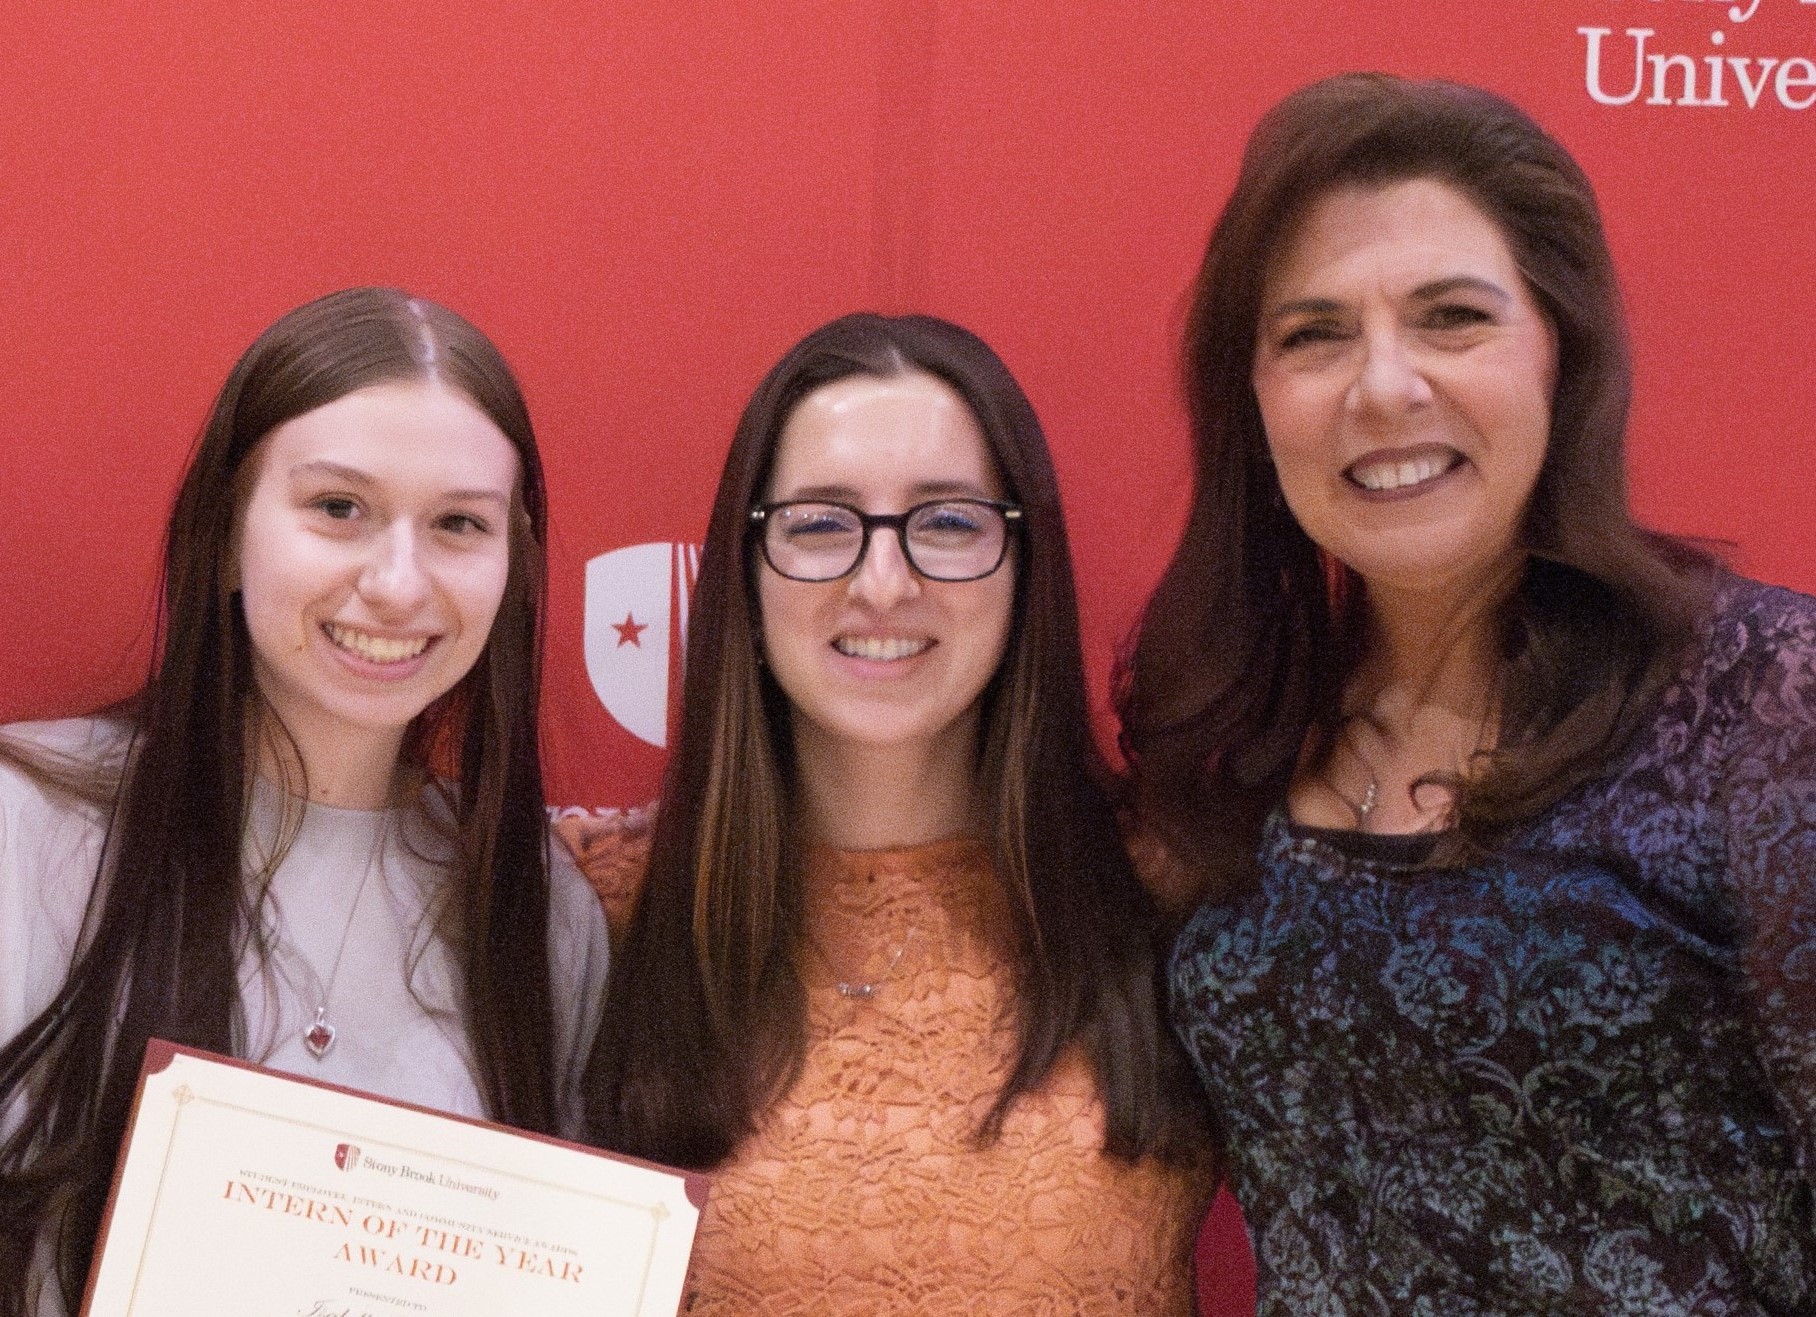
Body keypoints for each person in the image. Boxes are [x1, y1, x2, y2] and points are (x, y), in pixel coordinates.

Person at [1116, 71, 1816, 1313]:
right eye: (1313, 333)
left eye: (1450, 316)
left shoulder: (1763, 706)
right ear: (1253, 397)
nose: (1382, 386)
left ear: (1563, 353)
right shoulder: (1236, 741)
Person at [560, 313, 1215, 1313]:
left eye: (947, 523)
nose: (882, 583)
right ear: (746, 566)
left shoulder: (1165, 901)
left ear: (1023, 563)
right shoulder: (603, 912)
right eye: (820, 525)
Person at [0, 288, 609, 1316]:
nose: (399, 583)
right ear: (229, 531)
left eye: (459, 524)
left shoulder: (541, 911)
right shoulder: (29, 824)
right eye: (339, 509)